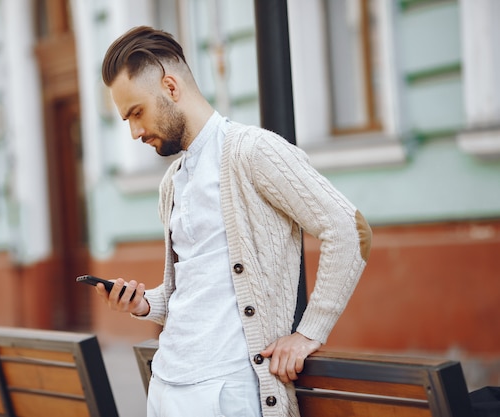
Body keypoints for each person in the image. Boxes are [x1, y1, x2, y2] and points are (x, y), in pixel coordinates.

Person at [96, 26, 372, 417]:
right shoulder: (171, 183)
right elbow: (199, 287)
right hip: (164, 385)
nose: (135, 131)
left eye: (136, 112)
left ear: (171, 87)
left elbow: (349, 228)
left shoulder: (253, 152)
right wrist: (144, 303)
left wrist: (309, 332)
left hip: (227, 392)